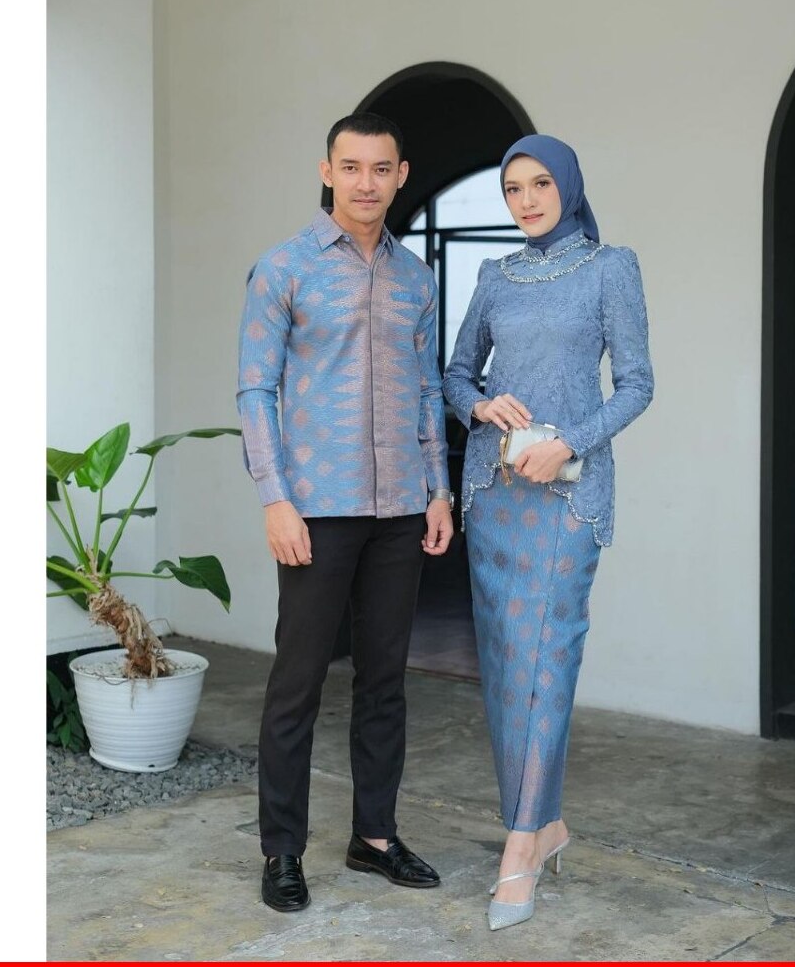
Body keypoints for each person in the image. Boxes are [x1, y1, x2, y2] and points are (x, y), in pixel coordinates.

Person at [237, 112, 454, 912]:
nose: (367, 182)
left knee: (385, 680)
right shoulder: (283, 268)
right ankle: (282, 850)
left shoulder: (416, 280)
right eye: (352, 167)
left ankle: (375, 838)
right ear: (328, 171)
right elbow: (254, 391)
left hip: (400, 506)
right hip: (315, 509)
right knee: (298, 682)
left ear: (401, 175)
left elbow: (428, 391)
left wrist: (438, 489)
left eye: (381, 168)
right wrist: (275, 499)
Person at [442, 134, 654, 930]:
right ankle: (544, 822)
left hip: (566, 498)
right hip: (494, 493)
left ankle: (520, 843)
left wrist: (571, 443)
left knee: (547, 662)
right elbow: (455, 373)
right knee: (505, 666)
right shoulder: (495, 276)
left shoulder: (610, 268)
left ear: (568, 186)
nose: (526, 201)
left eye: (539, 184)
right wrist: (478, 404)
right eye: (512, 189)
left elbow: (637, 384)